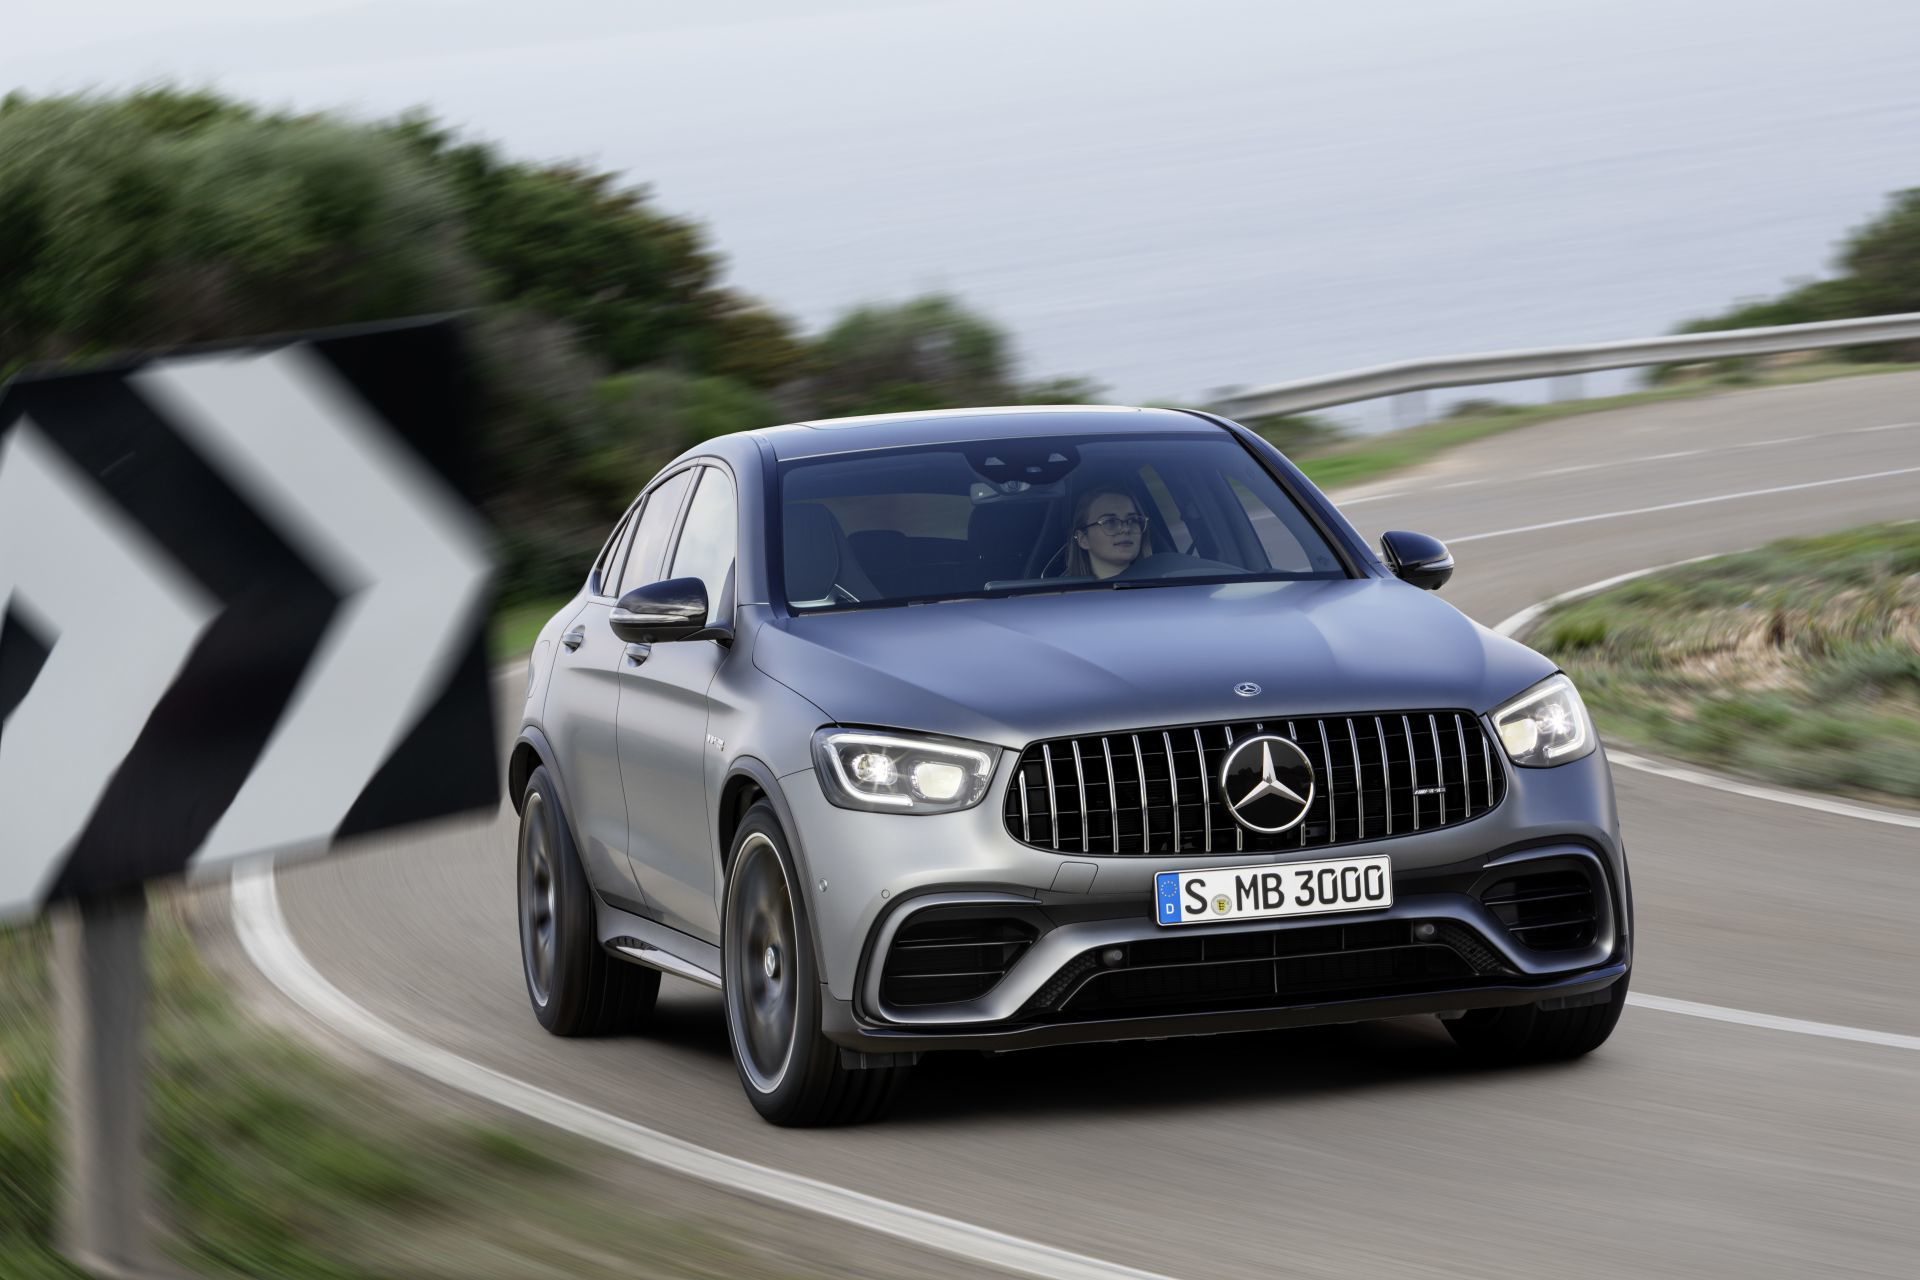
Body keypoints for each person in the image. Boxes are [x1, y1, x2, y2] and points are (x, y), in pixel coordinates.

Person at [1063, 487, 1148, 579]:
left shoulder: (1161, 584)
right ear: (1083, 539)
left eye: (1132, 520)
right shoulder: (1064, 592)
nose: (1126, 529)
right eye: (1110, 522)